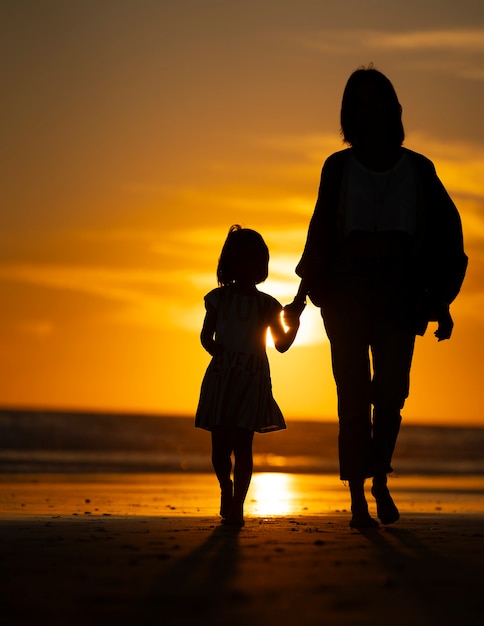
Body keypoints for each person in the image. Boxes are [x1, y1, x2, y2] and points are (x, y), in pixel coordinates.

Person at [288, 66, 467, 529]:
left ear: (392, 109)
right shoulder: (337, 166)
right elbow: (321, 233)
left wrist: (442, 300)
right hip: (345, 290)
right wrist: (300, 297)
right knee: (352, 394)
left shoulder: (419, 169)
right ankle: (357, 499)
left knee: (390, 394)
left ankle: (379, 478)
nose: (369, 110)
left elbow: (447, 237)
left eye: (377, 101)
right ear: (349, 113)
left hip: (399, 293)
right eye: (359, 103)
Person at [196, 224, 303, 526]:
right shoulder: (218, 299)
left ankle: (238, 506)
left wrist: (293, 321)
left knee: (243, 446)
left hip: (252, 379)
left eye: (255, 261)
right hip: (223, 376)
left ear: (262, 266)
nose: (248, 267)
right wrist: (214, 349)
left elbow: (281, 345)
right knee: (220, 449)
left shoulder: (267, 305)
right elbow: (206, 335)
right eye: (242, 260)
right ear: (230, 264)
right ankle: (225, 488)